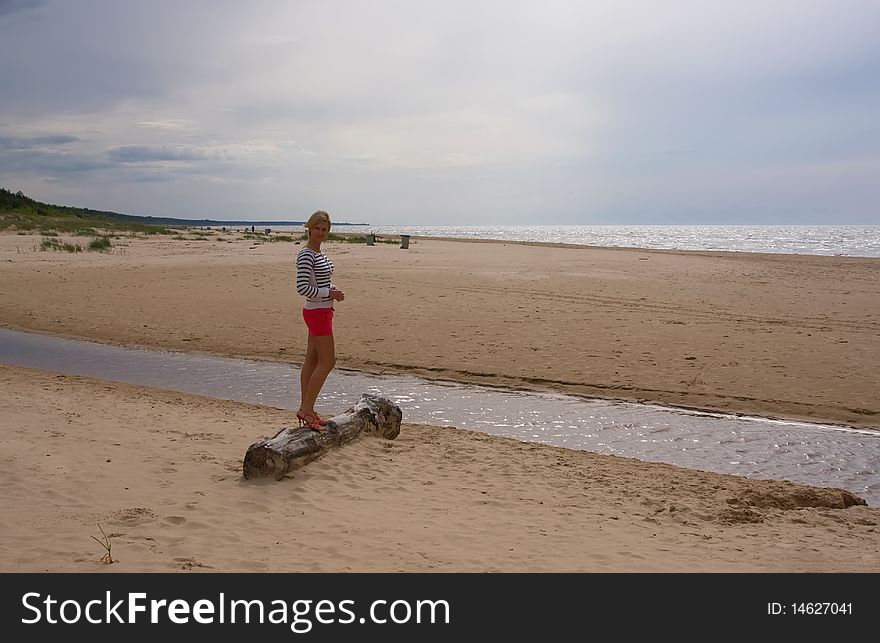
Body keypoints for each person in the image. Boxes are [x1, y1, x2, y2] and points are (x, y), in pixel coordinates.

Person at [295, 210, 345, 431]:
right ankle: (306, 409)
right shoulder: (306, 254)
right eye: (317, 228)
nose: (321, 233)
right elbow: (302, 288)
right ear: (309, 228)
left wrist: (331, 290)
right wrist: (329, 293)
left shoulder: (318, 254)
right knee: (328, 361)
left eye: (324, 230)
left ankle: (307, 409)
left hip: (321, 310)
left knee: (312, 360)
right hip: (317, 312)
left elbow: (320, 281)